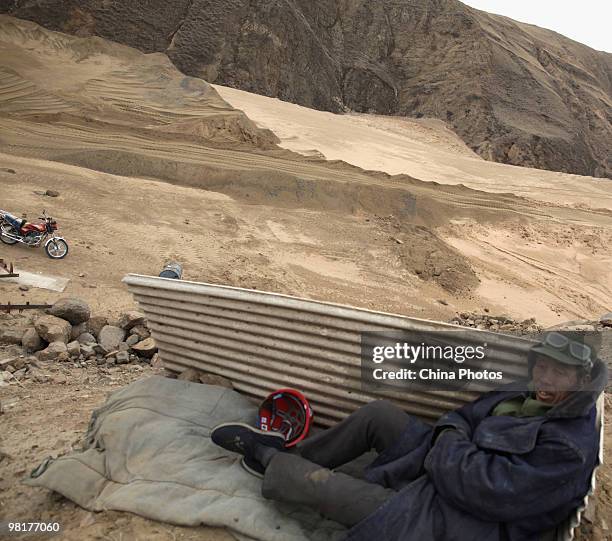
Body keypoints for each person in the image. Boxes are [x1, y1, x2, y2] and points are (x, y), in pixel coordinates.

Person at [211, 332, 607, 541]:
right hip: (445, 465)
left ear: (583, 380)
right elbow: (463, 415)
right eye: (543, 367)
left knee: (330, 491)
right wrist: (452, 436)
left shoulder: (568, 448)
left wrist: (450, 439)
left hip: (460, 520)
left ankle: (262, 458)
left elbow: (486, 488)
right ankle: (300, 451)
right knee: (380, 414)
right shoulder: (523, 393)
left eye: (560, 373)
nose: (545, 378)